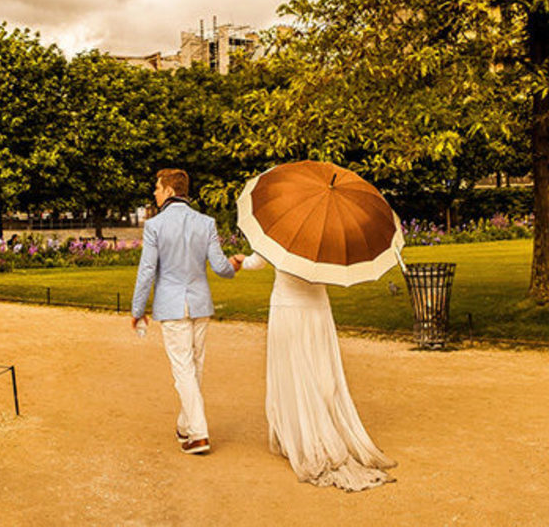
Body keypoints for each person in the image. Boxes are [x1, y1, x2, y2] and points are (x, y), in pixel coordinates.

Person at [232, 251, 395, 491]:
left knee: (292, 372)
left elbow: (257, 261)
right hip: (318, 308)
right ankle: (319, 428)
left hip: (288, 307)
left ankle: (299, 436)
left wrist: (239, 261)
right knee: (320, 371)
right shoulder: (327, 238)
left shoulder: (284, 230)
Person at [130, 168, 238, 455]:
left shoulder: (155, 226)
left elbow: (147, 271)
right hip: (200, 304)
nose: (154, 192)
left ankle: (199, 434)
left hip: (172, 305)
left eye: (157, 188)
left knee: (183, 370)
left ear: (168, 191)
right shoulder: (206, 223)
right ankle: (185, 425)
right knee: (194, 367)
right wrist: (233, 266)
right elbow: (220, 268)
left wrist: (138, 309)